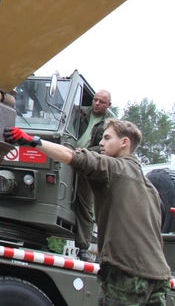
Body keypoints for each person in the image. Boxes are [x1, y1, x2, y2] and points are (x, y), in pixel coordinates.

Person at [5, 120, 171, 305]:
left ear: (124, 142)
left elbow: (72, 156)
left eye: (107, 138)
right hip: (159, 275)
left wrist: (32, 140)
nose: (101, 143)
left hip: (128, 272)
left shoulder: (113, 168)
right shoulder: (150, 187)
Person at [75, 89, 116, 262]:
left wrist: (84, 152)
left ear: (109, 105)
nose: (97, 103)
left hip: (88, 163)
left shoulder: (110, 125)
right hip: (67, 155)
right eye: (95, 100)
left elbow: (105, 148)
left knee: (85, 206)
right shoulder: (79, 113)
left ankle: (83, 248)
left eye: (102, 102)